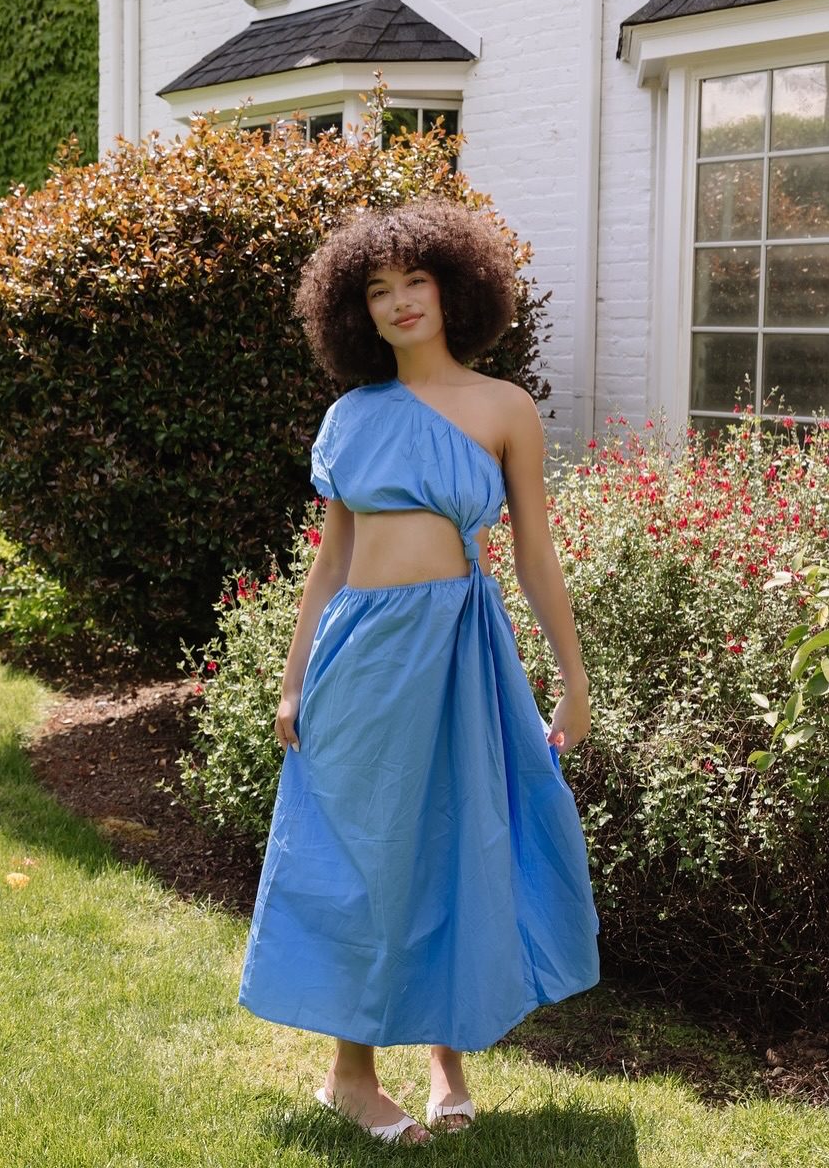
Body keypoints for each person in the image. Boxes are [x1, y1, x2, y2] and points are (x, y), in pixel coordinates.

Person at [238, 194, 600, 1146]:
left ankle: (448, 1054)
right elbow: (329, 563)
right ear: (354, 310)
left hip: (461, 652)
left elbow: (533, 556)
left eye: (416, 280)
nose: (400, 302)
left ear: (455, 286)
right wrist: (290, 677)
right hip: (361, 657)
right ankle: (348, 1075)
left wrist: (573, 675)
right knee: (362, 850)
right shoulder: (351, 417)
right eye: (377, 289)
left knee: (459, 838)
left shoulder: (503, 407)